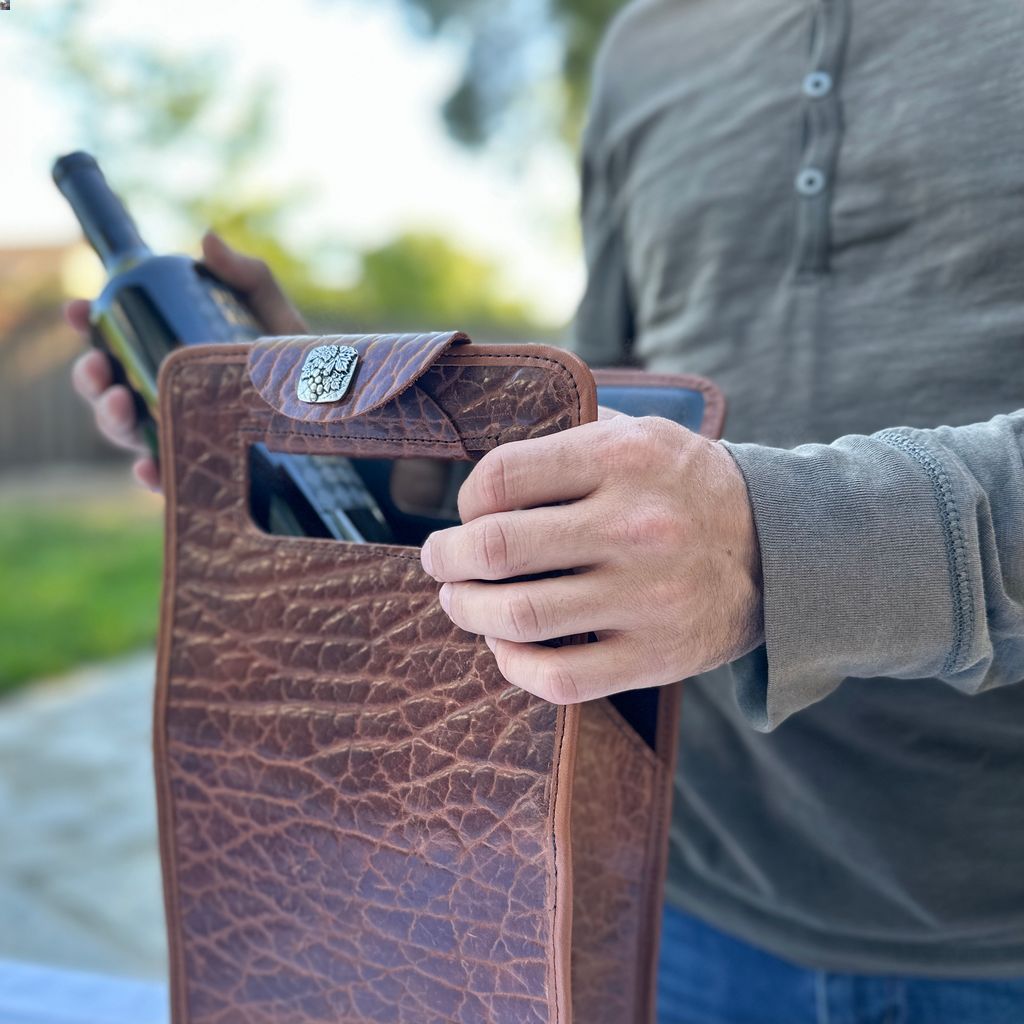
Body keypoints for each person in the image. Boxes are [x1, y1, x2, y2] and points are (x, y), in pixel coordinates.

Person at [70, 1, 1024, 1020]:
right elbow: (603, 423)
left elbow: (732, 518)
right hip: (670, 896)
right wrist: (338, 442)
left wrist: (773, 542)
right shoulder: (648, 43)